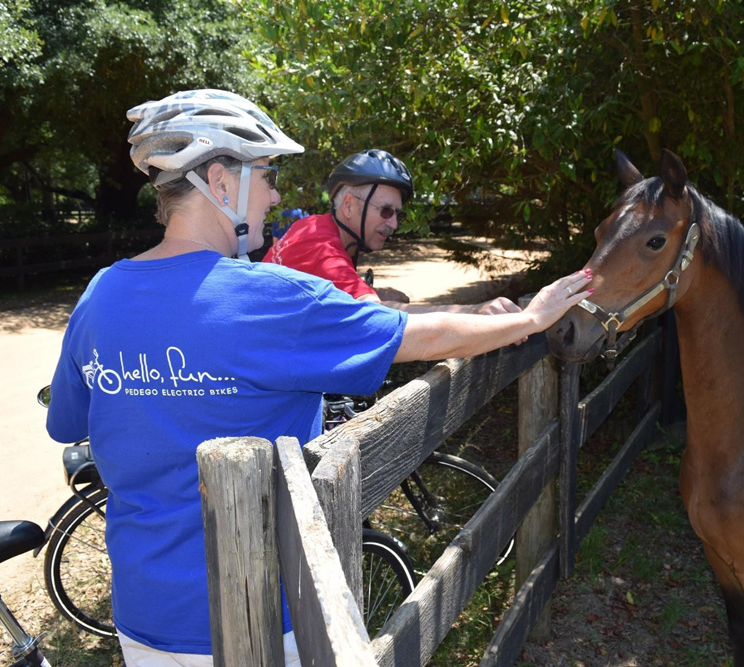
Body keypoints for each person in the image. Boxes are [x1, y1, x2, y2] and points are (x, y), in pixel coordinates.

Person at [44, 88, 593, 667]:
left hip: (144, 619)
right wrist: (532, 319)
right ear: (220, 182)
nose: (276, 194)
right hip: (271, 612)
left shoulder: (100, 294)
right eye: (268, 174)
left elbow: (69, 424)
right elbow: (417, 337)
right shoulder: (271, 298)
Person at [264, 149, 518, 314]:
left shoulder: (314, 227)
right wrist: (474, 311)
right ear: (349, 205)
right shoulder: (321, 247)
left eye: (398, 214)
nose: (394, 224)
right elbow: (376, 315)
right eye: (386, 210)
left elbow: (328, 291)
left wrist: (374, 290)